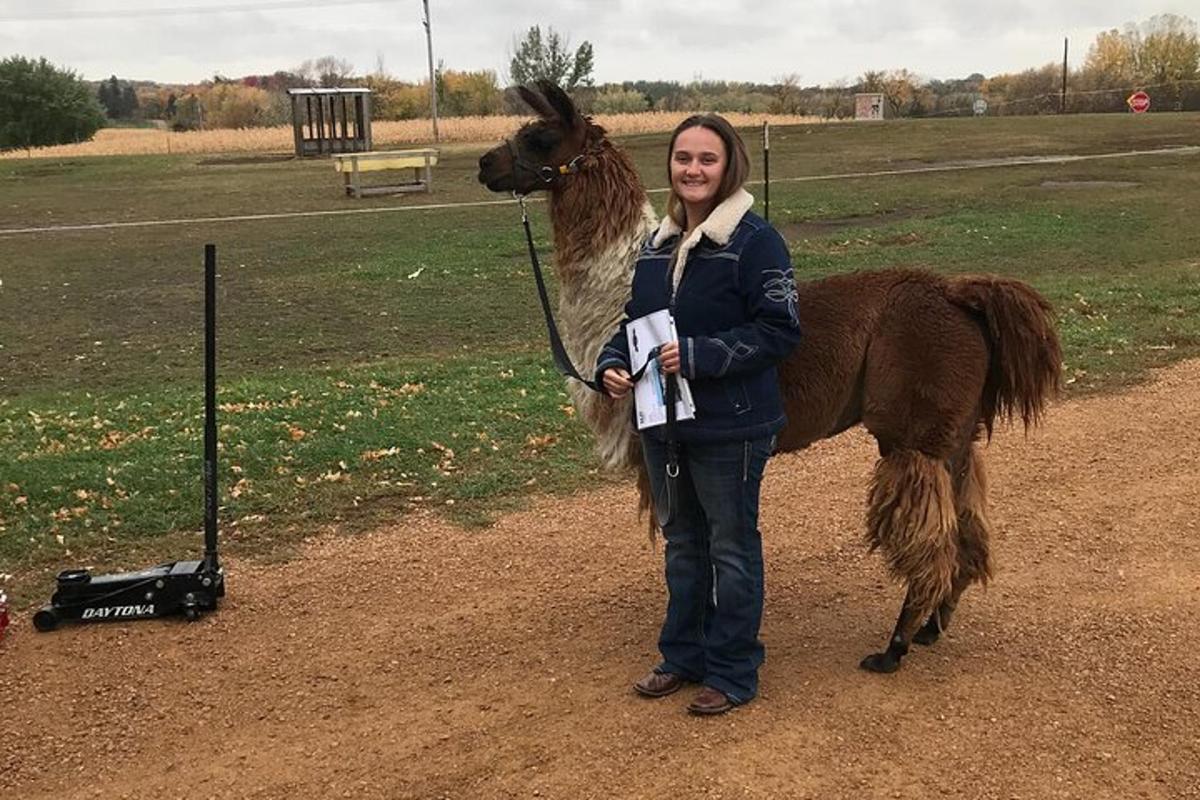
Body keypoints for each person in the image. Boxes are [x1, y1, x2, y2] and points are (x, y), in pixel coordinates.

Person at [594, 114, 802, 715]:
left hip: (731, 424)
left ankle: (733, 669)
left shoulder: (755, 241)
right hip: (664, 423)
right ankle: (682, 655)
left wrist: (700, 355)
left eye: (706, 159)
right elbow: (637, 320)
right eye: (683, 158)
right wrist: (614, 361)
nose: (693, 169)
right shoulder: (655, 246)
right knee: (683, 544)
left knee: (731, 548)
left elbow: (781, 331)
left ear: (729, 165)